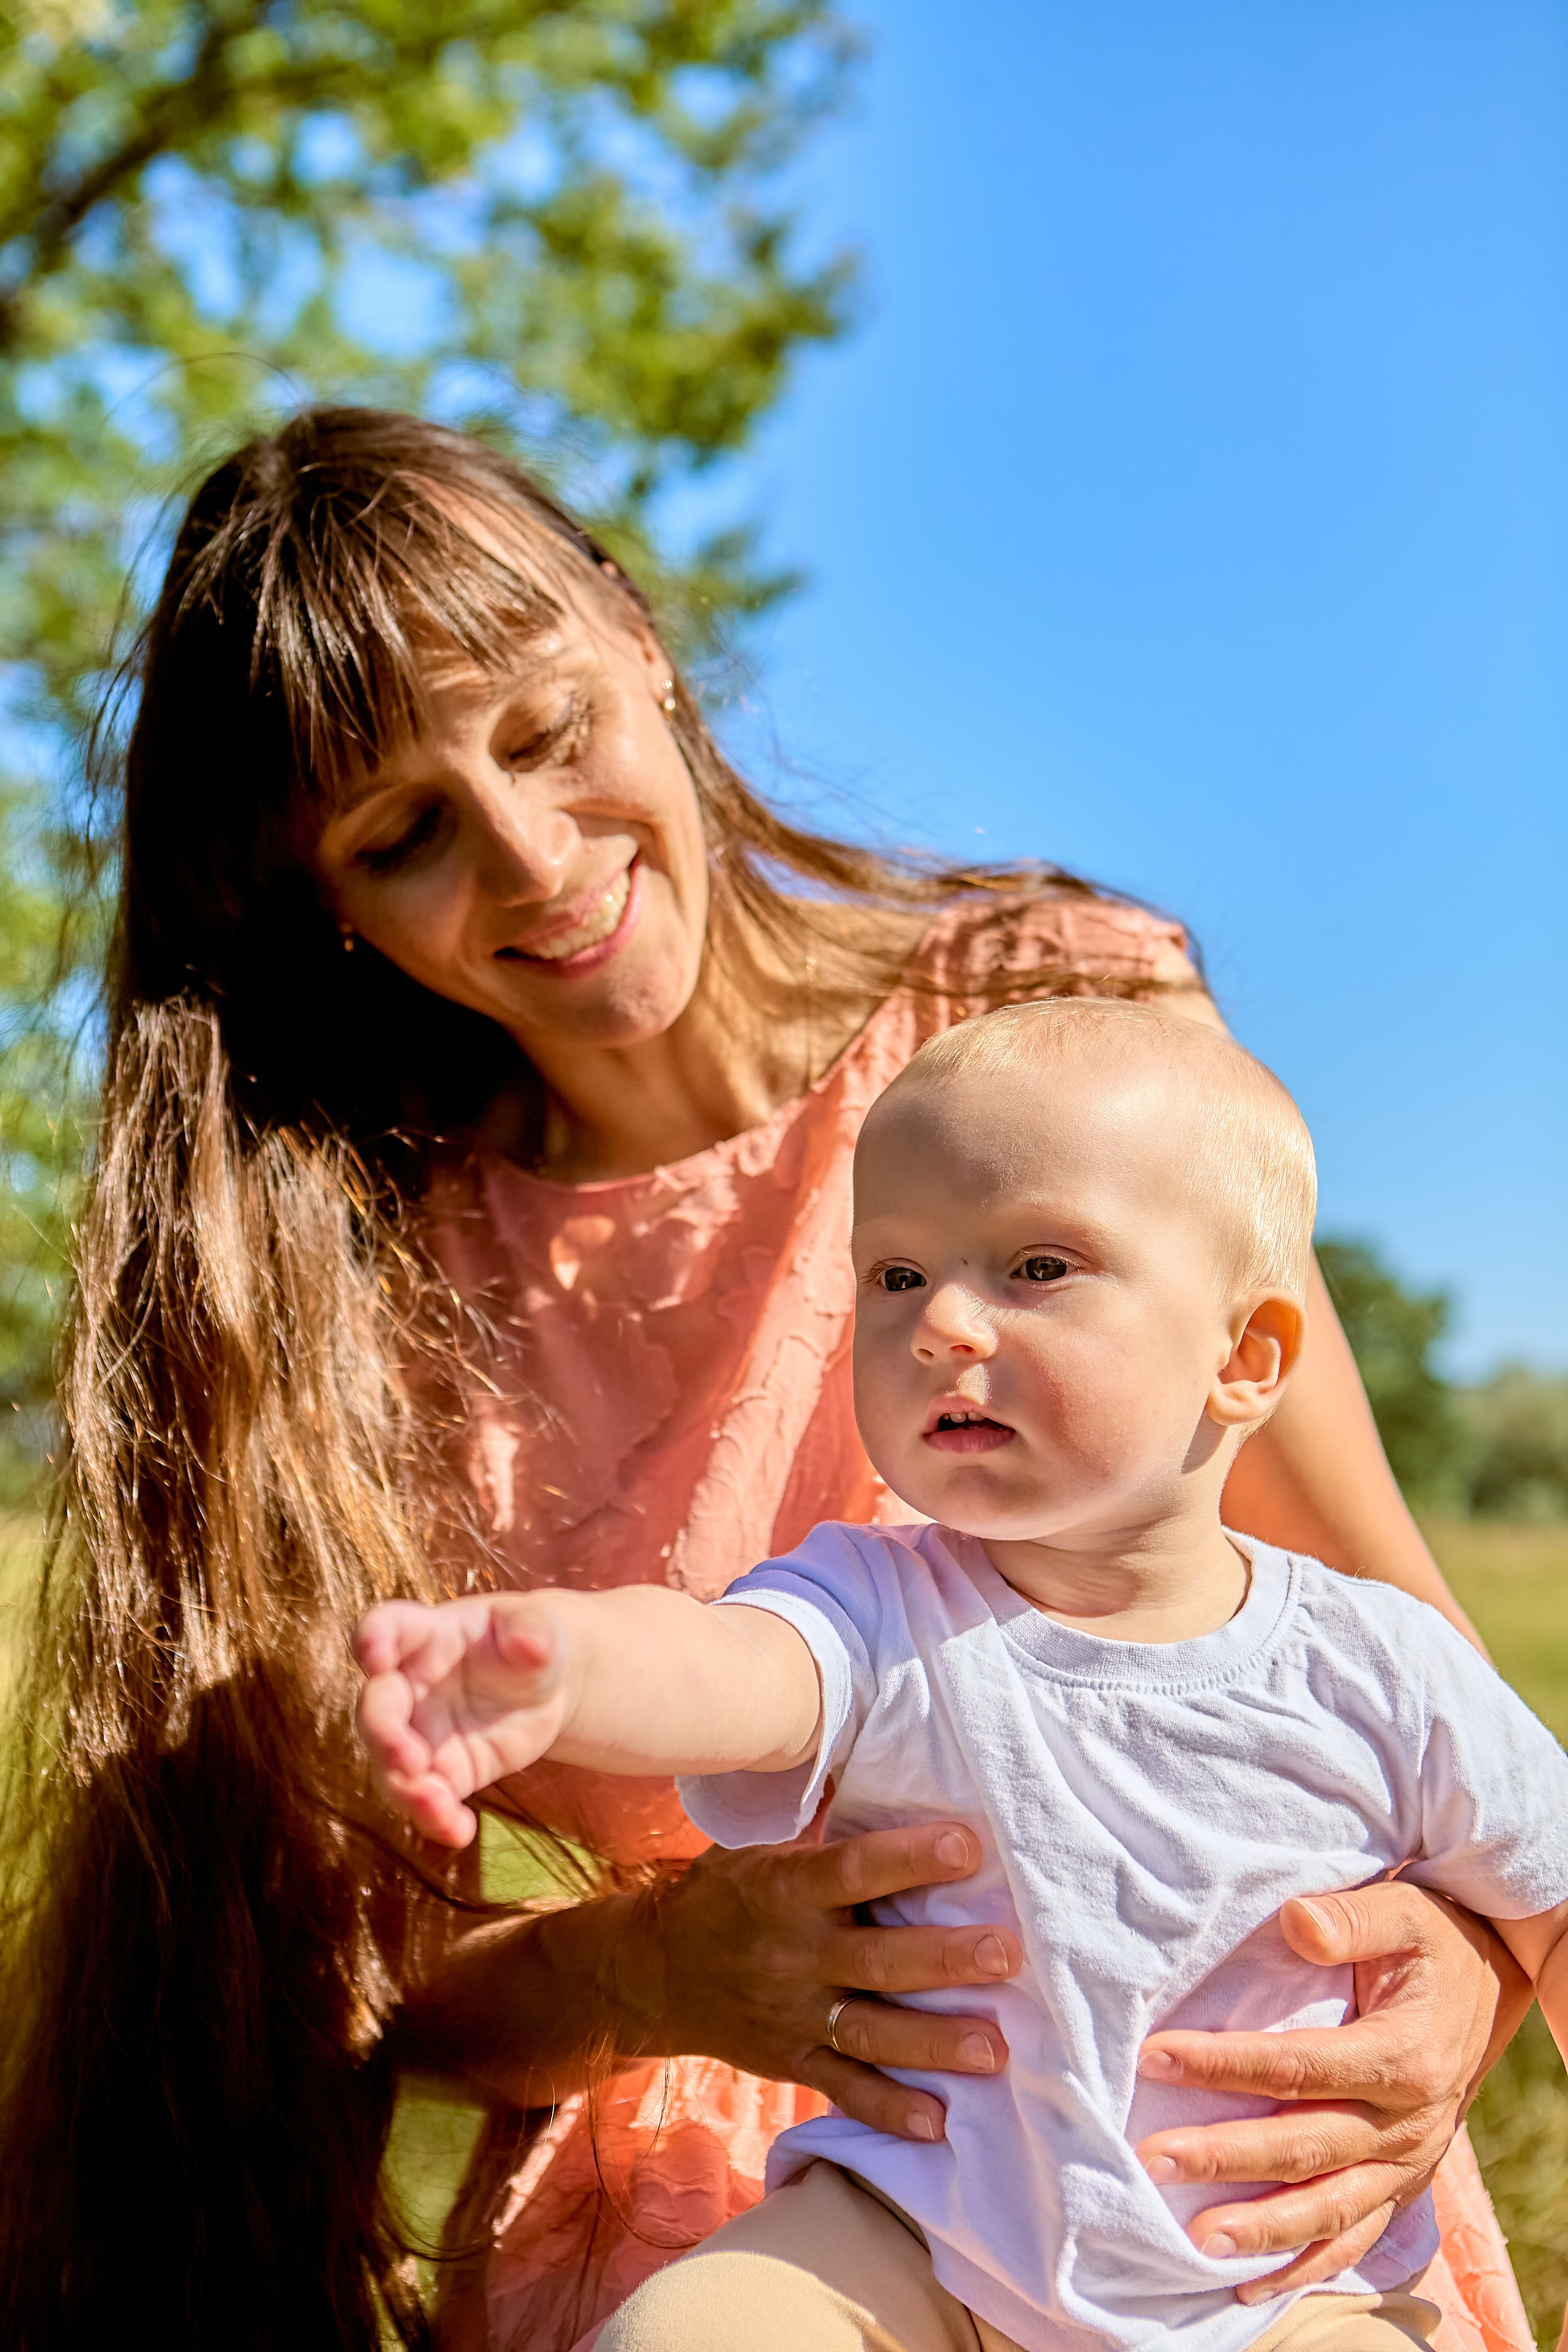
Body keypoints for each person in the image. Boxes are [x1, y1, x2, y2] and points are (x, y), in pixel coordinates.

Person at [0, 409, 1533, 2352]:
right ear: (332, 903)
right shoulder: (375, 1290)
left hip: (1215, 2135)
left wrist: (1475, 1963)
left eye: (550, 732)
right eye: (409, 835)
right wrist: (666, 1962)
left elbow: (1393, 1643)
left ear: (641, 643)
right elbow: (397, 1994)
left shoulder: (1045, 1021)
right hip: (738, 2210)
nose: (538, 861)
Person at [355, 1001, 1568, 2352]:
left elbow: (1553, 1890)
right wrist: (566, 1665)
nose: (939, 1324)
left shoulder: (1376, 1664)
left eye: (1035, 1267)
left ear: (1241, 1358)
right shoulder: (880, 1602)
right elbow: (728, 1665)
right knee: (690, 2332)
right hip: (911, 2240)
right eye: (894, 1276)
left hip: (1278, 2287)